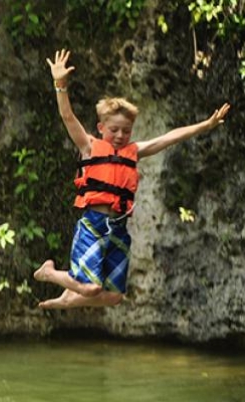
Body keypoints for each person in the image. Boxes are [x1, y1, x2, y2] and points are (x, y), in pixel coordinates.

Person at [33, 48, 231, 309]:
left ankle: (69, 299)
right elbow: (68, 117)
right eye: (113, 130)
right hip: (93, 225)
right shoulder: (89, 147)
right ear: (101, 127)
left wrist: (204, 126)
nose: (119, 135)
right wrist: (60, 84)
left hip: (118, 228)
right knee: (91, 287)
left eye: (126, 131)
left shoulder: (133, 151)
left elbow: (169, 138)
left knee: (114, 296)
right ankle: (49, 273)